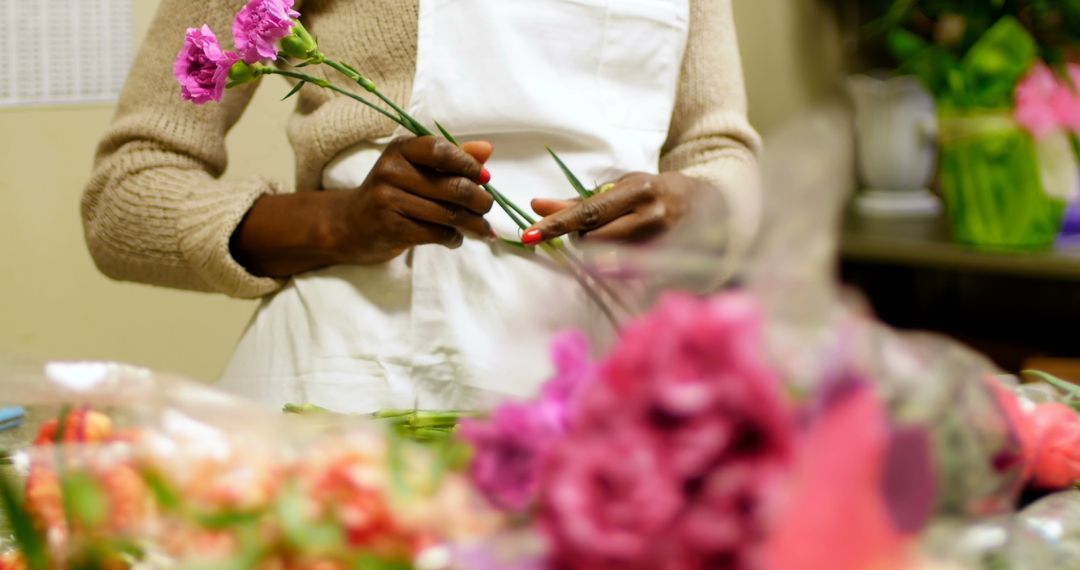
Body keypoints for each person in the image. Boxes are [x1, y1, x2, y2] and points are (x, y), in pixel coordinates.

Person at [82, 0, 762, 412]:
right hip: (351, 393)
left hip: (602, 398)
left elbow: (720, 150)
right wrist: (339, 223)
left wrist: (702, 209)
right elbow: (126, 197)